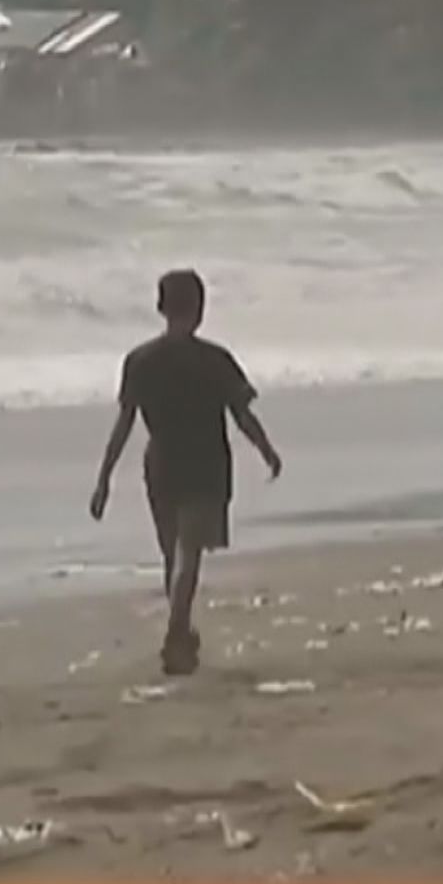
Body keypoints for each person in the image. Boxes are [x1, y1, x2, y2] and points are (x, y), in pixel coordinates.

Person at [90, 269, 283, 676]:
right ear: (201, 309)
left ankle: (180, 626)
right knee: (189, 555)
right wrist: (266, 450)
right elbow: (242, 415)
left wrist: (104, 478)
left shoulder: (140, 361)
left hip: (161, 464)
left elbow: (124, 423)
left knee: (171, 554)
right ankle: (178, 628)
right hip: (207, 464)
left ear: (161, 307)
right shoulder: (215, 359)